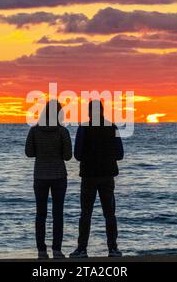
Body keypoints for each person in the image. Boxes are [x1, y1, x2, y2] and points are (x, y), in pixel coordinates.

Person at [70, 100, 124, 258]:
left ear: (88, 113)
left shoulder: (83, 128)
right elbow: (120, 154)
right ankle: (113, 248)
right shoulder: (112, 127)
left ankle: (82, 249)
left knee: (86, 213)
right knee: (110, 214)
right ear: (102, 111)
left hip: (89, 176)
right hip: (107, 175)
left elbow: (78, 155)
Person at [25, 100, 72, 259]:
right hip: (59, 175)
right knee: (58, 214)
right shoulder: (62, 132)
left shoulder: (34, 131)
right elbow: (68, 156)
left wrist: (42, 151)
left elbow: (29, 153)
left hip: (40, 176)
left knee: (41, 214)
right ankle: (57, 250)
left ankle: (41, 250)